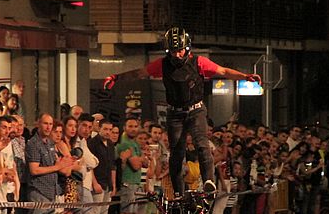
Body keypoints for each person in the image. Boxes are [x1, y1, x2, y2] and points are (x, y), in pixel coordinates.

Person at [104, 26, 261, 196]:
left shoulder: (199, 62)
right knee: (177, 153)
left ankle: (208, 181)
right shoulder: (163, 64)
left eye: (180, 50)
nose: (177, 55)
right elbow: (139, 73)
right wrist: (116, 77)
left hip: (196, 110)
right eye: (173, 51)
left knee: (201, 144)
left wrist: (245, 77)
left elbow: (223, 71)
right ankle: (179, 193)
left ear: (187, 48)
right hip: (175, 113)